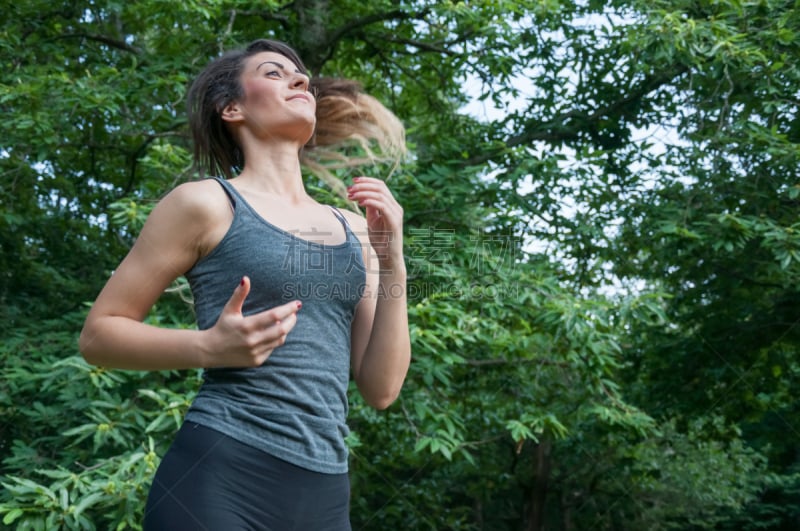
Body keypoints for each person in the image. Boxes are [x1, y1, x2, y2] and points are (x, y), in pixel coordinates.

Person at [79, 38, 411, 530]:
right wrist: (209, 347)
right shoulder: (205, 204)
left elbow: (381, 389)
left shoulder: (356, 228)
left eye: (301, 77)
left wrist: (394, 264)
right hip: (219, 475)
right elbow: (98, 336)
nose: (299, 80)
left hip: (324, 491)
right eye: (275, 73)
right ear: (231, 108)